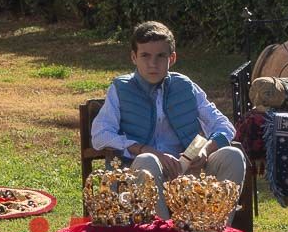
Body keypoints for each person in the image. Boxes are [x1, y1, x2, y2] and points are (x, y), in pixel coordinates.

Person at [91, 21, 245, 219]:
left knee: (233, 155)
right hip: (138, 171)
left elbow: (224, 126)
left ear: (172, 58)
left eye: (160, 56)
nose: (152, 64)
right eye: (145, 55)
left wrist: (205, 151)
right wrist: (143, 149)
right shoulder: (121, 88)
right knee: (148, 161)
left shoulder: (185, 86)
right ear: (133, 57)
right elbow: (100, 135)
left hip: (186, 171)